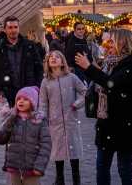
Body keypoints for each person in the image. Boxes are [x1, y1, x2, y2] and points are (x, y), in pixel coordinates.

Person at [75, 28, 132, 185]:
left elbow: (111, 83)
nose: (110, 44)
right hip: (107, 121)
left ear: (123, 43)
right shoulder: (109, 61)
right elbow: (103, 83)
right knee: (101, 166)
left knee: (124, 168)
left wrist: (89, 68)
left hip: (126, 122)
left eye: (113, 41)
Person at [0, 15, 44, 143]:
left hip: (27, 94)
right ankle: (11, 158)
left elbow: (39, 68)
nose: (13, 30)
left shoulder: (29, 46)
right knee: (9, 132)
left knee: (29, 130)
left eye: (16, 27)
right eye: (10, 27)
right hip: (7, 95)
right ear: (5, 29)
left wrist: (36, 88)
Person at [39, 51, 86, 185]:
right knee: (57, 149)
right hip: (55, 121)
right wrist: (44, 120)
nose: (53, 59)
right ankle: (59, 178)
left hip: (70, 118)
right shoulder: (45, 82)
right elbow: (43, 103)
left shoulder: (71, 78)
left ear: (62, 61)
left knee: (73, 148)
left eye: (57, 57)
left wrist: (77, 104)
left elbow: (84, 92)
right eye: (51, 57)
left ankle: (76, 178)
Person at [0, 85, 52, 185]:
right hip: (14, 169)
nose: (21, 101)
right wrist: (9, 120)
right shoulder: (12, 118)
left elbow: (46, 146)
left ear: (33, 103)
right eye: (19, 99)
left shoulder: (40, 121)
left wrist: (40, 166)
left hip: (32, 170)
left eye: (26, 99)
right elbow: (0, 139)